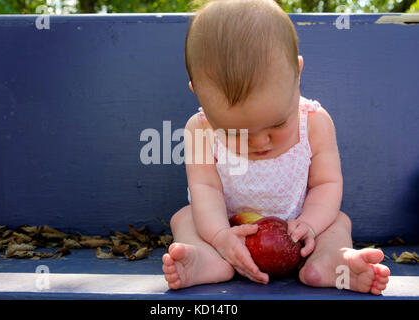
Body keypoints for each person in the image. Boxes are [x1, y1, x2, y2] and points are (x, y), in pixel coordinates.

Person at [162, 0, 390, 295]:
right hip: (229, 237)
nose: (259, 142)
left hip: (301, 237)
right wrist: (220, 236)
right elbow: (205, 189)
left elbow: (326, 183)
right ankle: (207, 261)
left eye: (277, 124)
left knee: (337, 222)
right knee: (185, 218)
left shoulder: (315, 124)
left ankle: (328, 262)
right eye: (234, 132)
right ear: (199, 95)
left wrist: (309, 224)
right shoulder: (201, 130)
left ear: (297, 73)